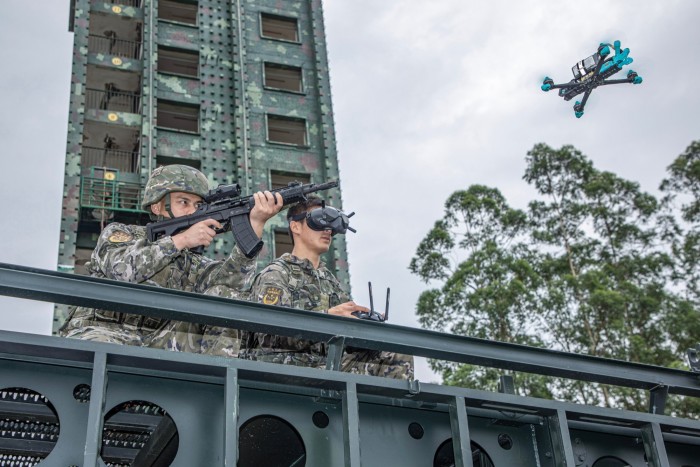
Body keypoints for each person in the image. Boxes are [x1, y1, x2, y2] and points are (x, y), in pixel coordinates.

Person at [59, 164, 282, 351]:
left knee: (226, 298)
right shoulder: (122, 234)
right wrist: (181, 241)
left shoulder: (191, 261)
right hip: (102, 332)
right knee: (100, 350)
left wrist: (254, 227)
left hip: (158, 341)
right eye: (183, 202)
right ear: (158, 206)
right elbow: (123, 271)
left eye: (197, 205)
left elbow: (232, 285)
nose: (192, 212)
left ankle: (216, 390)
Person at [238, 195, 414, 380]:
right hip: (285, 367)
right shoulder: (276, 273)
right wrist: (327, 319)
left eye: (331, 225)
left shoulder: (330, 282)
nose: (327, 230)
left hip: (328, 366)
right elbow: (269, 335)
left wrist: (365, 325)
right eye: (319, 221)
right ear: (295, 226)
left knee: (394, 352)